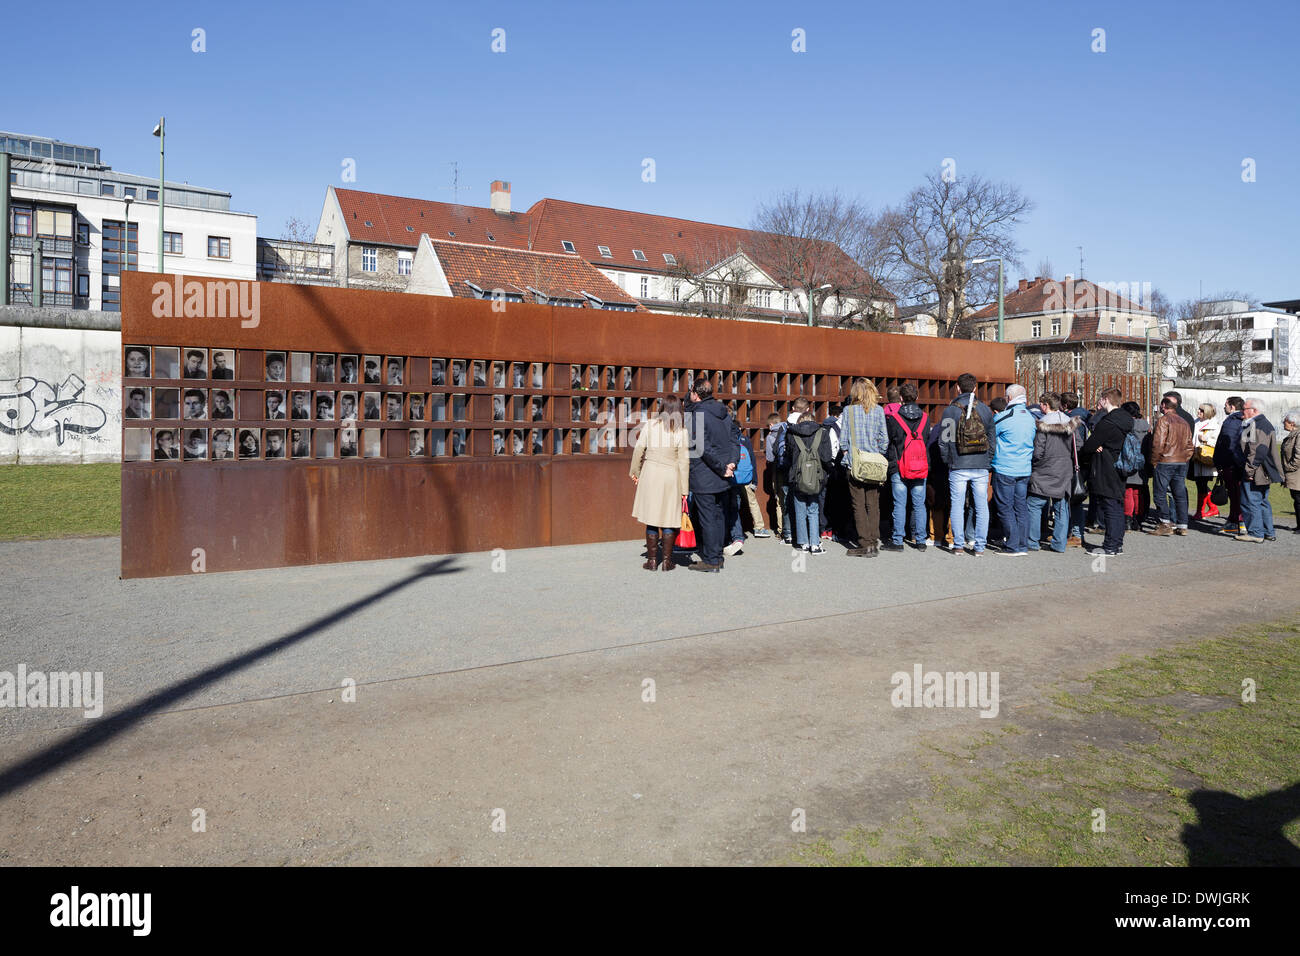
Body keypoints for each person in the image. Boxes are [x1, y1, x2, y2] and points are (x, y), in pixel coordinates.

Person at [683, 378, 738, 572]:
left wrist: (721, 467)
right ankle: (716, 556)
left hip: (705, 474)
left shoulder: (695, 414)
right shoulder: (723, 411)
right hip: (723, 473)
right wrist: (732, 462)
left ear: (695, 393)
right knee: (719, 516)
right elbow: (734, 438)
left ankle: (712, 560)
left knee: (707, 517)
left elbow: (701, 447)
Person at [630, 395, 690, 571]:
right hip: (671, 476)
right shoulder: (682, 431)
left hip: (650, 473)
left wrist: (635, 472)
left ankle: (652, 561)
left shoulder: (650, 425)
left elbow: (639, 449)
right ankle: (667, 561)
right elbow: (684, 462)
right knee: (669, 519)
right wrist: (685, 489)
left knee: (652, 518)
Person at [938, 373, 995, 556]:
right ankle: (979, 547)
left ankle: (959, 545)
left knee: (957, 504)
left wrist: (948, 460)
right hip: (981, 464)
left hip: (958, 464)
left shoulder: (950, 410)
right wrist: (988, 459)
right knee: (981, 506)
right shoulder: (985, 410)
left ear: (958, 388)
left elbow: (944, 441)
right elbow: (992, 440)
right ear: (975, 388)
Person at [1078, 388, 1134, 556]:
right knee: (1116, 505)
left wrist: (1096, 445)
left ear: (1106, 400)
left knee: (1109, 506)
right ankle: (1116, 543)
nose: (1099, 402)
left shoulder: (1108, 421)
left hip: (1106, 466)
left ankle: (1109, 545)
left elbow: (1089, 446)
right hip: (1119, 464)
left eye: (1101, 399)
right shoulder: (1126, 419)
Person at [840, 378, 890, 557]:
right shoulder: (879, 411)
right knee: (873, 504)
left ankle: (865, 543)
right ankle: (874, 540)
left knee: (858, 504)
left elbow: (844, 439)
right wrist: (877, 452)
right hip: (874, 463)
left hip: (855, 462)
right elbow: (884, 440)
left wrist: (847, 453)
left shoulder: (849, 411)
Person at [884, 383, 930, 552]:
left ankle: (897, 540)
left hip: (899, 464)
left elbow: (890, 441)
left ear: (901, 398)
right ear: (917, 397)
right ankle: (920, 540)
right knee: (919, 504)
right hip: (920, 465)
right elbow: (926, 439)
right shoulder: (925, 417)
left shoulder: (894, 418)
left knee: (899, 504)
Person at [990, 384, 1036, 555]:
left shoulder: (1004, 417)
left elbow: (990, 435)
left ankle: (1012, 545)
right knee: (1021, 507)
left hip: (1005, 467)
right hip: (1024, 468)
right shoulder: (1030, 417)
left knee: (1005, 507)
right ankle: (1022, 545)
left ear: (1009, 398)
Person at [1026, 394, 1076, 553]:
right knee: (1061, 507)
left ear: (1045, 405)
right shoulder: (1070, 423)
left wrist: (1035, 463)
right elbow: (1078, 445)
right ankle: (1059, 543)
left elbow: (1038, 451)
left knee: (1034, 505)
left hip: (1044, 470)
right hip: (1064, 469)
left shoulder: (1042, 425)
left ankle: (1032, 541)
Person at [787, 412, 835, 553]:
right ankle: (815, 544)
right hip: (816, 477)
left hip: (797, 476)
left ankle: (803, 543)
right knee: (813, 509)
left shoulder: (791, 433)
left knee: (799, 508)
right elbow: (826, 457)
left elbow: (789, 455)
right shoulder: (822, 433)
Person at [1236, 397, 1283, 543]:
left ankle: (1256, 533)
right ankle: (1267, 531)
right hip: (1262, 470)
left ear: (1254, 410)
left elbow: (1257, 452)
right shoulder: (1256, 424)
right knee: (1261, 501)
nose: (1242, 411)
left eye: (1244, 408)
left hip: (1257, 471)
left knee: (1251, 501)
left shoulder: (1258, 425)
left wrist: (1249, 471)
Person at [1148, 395, 1194, 536]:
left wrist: (1154, 461)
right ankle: (1182, 525)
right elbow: (1190, 445)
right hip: (1181, 461)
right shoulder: (1183, 421)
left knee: (1160, 493)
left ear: (1164, 406)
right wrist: (1185, 458)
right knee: (1179, 494)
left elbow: (1158, 443)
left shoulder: (1164, 420)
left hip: (1166, 461)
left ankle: (1165, 523)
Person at [1213, 396, 1246, 535]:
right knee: (1236, 494)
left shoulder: (1232, 421)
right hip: (1238, 463)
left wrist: (1221, 462)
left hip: (1231, 464)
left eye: (1225, 405)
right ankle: (1235, 521)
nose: (1224, 407)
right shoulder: (1244, 420)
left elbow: (1227, 445)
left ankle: (1238, 522)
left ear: (1232, 407)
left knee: (1235, 494)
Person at [1061, 391, 1090, 546]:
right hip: (1082, 463)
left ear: (1064, 405)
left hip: (1074, 464)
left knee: (1073, 500)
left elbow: (1075, 444)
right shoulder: (1085, 420)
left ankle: (1076, 534)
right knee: (1074, 499)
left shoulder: (1072, 422)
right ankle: (1071, 532)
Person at [1121, 401, 1152, 532]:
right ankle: (1137, 520)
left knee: (1128, 491)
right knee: (1139, 492)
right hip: (1143, 461)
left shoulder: (1126, 425)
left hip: (1129, 460)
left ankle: (1127, 519)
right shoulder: (1147, 426)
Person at [1191, 403, 1221, 520]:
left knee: (1201, 484)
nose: (1198, 412)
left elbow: (1218, 443)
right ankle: (1212, 508)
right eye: (1199, 409)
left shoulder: (1215, 425)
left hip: (1206, 458)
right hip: (1196, 457)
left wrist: (1206, 439)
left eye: (1201, 410)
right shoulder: (1196, 421)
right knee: (1200, 484)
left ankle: (1200, 511)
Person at [1281, 409, 1300, 533]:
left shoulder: (1298, 435)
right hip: (1293, 474)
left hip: (1296, 474)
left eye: (1285, 421)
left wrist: (1288, 468)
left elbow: (1299, 456)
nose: (1283, 423)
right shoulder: (1293, 435)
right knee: (1297, 499)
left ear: (1292, 423)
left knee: (1299, 500)